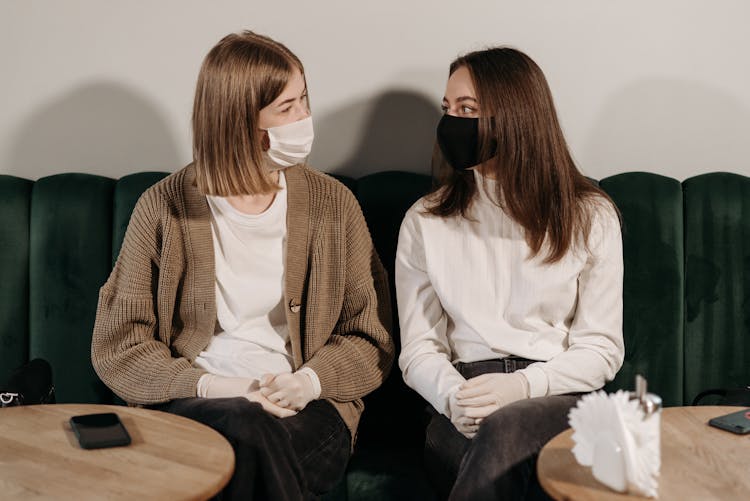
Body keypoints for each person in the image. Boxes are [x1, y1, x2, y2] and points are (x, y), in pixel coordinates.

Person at [91, 31, 394, 500]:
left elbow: (369, 336)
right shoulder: (163, 208)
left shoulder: (335, 206)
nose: (305, 118)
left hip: (310, 411)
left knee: (243, 446)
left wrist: (309, 381)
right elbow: (120, 346)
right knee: (243, 424)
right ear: (239, 122)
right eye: (286, 108)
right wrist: (216, 386)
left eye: (304, 100)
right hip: (199, 404)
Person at [396, 47, 624, 500]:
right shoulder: (425, 219)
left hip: (558, 397)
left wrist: (523, 386)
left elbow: (601, 348)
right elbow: (418, 348)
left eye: (467, 110)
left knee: (507, 430)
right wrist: (452, 400)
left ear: (515, 115)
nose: (451, 122)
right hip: (464, 399)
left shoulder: (589, 216)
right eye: (448, 110)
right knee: (494, 445)